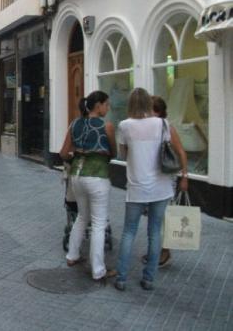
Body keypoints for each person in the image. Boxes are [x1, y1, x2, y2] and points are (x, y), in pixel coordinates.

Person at [113, 88, 188, 292]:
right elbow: (179, 150)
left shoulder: (124, 126)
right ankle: (149, 278)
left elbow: (123, 154)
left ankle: (121, 278)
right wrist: (184, 176)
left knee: (129, 232)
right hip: (161, 188)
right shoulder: (163, 124)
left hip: (136, 187)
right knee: (154, 232)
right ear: (148, 103)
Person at [59, 91, 116, 281]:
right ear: (98, 105)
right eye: (106, 104)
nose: (108, 108)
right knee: (99, 223)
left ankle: (72, 256)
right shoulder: (106, 126)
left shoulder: (75, 124)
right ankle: (98, 270)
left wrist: (77, 154)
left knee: (82, 217)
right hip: (97, 176)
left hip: (76, 176)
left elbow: (63, 153)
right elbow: (112, 152)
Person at [139, 96, 188, 267]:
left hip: (166, 179)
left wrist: (185, 176)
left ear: (158, 112)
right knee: (154, 218)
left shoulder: (168, 128)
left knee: (164, 217)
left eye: (148, 110)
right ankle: (156, 251)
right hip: (151, 180)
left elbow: (181, 152)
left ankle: (165, 252)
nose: (145, 113)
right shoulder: (146, 128)